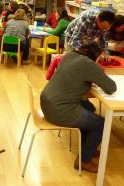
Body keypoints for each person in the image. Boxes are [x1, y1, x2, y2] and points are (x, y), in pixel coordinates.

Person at [40, 42, 116, 173]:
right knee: (101, 124)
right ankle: (84, 160)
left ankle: (87, 148)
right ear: (96, 57)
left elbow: (74, 77)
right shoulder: (89, 64)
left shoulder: (70, 55)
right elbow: (111, 87)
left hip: (47, 103)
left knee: (89, 108)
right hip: (59, 110)